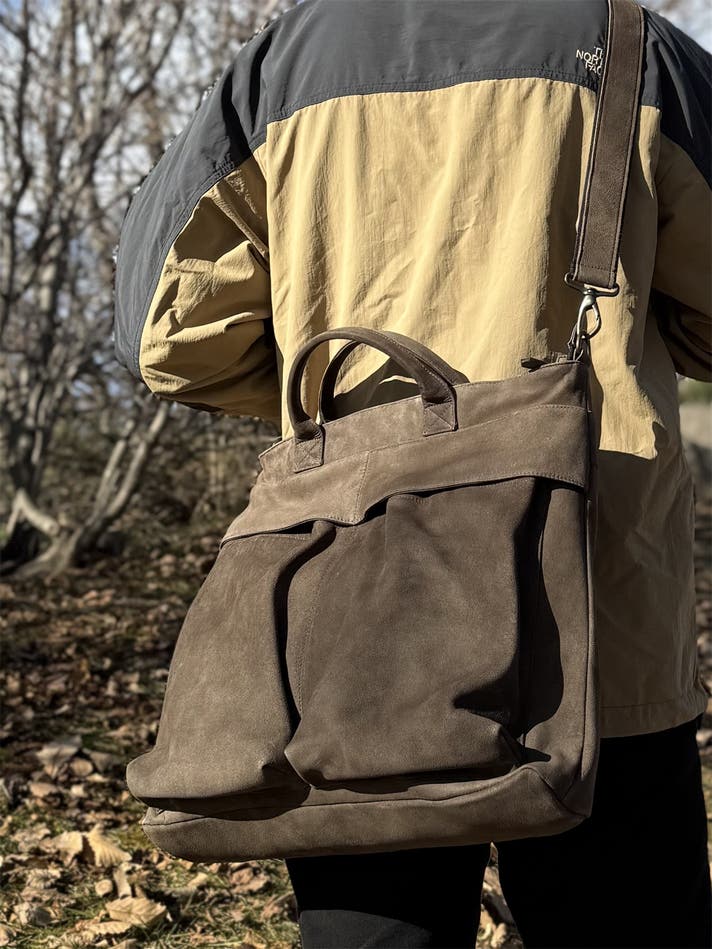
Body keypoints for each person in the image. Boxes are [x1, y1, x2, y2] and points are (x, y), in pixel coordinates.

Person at [113, 0, 712, 945]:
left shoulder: (280, 67)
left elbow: (167, 336)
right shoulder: (638, 47)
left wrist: (342, 412)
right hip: (601, 615)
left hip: (359, 611)